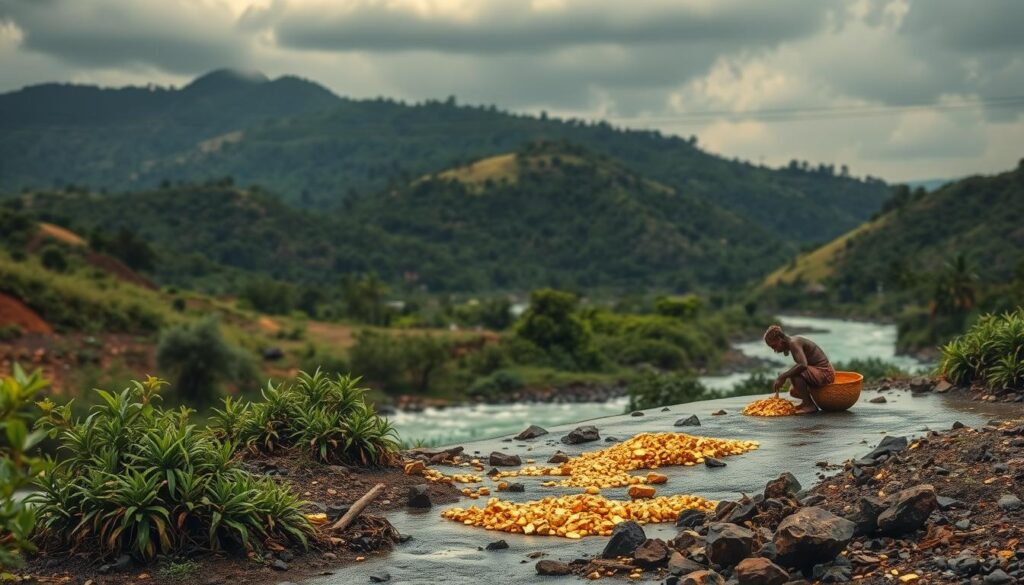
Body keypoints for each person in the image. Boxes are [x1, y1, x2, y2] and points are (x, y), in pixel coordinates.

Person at [763, 324, 835, 414]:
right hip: (818, 372)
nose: (775, 350)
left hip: (825, 373)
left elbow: (803, 365)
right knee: (794, 391)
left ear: (780, 339)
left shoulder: (794, 343)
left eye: (774, 346)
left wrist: (782, 377)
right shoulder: (792, 342)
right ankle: (806, 403)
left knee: (796, 372)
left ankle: (809, 405)